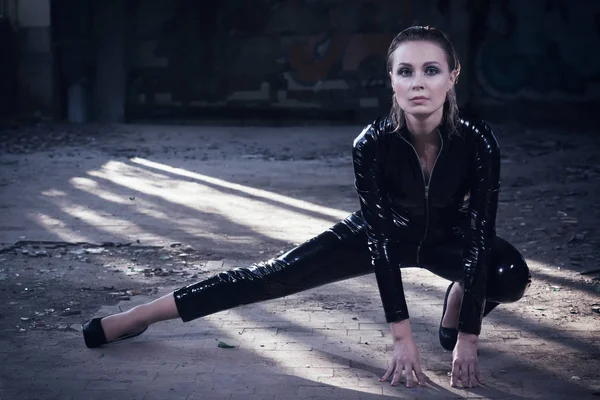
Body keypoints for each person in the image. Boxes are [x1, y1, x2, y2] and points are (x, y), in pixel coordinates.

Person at [82, 26, 531, 389]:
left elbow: (478, 235)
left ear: (453, 76)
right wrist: (401, 337)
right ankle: (136, 317)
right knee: (270, 277)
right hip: (381, 232)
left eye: (431, 70)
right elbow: (380, 244)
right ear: (391, 81)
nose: (418, 82)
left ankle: (457, 301)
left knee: (509, 273)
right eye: (406, 71)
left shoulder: (478, 141)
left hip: (448, 238)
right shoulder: (371, 143)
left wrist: (468, 336)